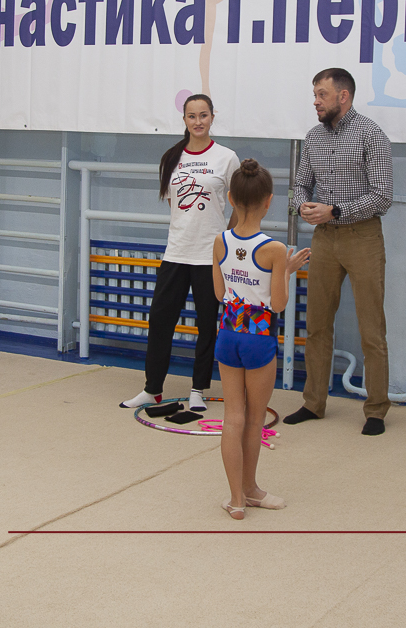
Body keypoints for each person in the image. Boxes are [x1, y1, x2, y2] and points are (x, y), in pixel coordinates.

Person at [284, 68, 394, 435]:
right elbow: (300, 185)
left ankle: (376, 410)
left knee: (371, 328)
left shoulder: (371, 135)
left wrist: (336, 210)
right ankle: (313, 403)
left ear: (343, 96)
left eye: (322, 94)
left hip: (362, 237)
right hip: (324, 239)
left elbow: (383, 196)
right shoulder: (313, 137)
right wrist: (302, 206)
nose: (315, 101)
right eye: (315, 94)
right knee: (316, 324)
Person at [121, 94, 241, 412]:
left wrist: (226, 239)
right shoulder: (171, 157)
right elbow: (175, 205)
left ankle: (198, 389)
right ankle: (152, 389)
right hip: (175, 253)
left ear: (212, 117)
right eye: (192, 116)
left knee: (207, 325)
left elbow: (240, 205)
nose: (198, 121)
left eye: (203, 115)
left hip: (209, 257)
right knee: (160, 321)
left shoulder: (227, 158)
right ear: (184, 119)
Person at [212, 159, 311, 519]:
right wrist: (287, 270)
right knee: (254, 420)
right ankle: (251, 489)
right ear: (269, 201)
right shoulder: (274, 249)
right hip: (258, 339)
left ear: (230, 199)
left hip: (228, 335)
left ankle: (236, 499)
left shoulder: (220, 241)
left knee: (232, 418)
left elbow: (220, 293)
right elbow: (279, 305)